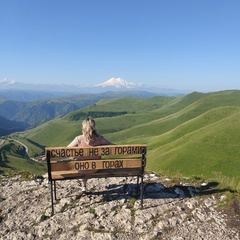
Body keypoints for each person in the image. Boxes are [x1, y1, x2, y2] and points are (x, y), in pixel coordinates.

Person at [67, 116, 113, 192]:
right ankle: (84, 185)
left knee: (82, 164)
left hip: (82, 169)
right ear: (94, 127)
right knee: (89, 163)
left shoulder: (78, 139)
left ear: (83, 128)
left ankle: (84, 186)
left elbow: (65, 150)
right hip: (95, 168)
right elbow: (113, 147)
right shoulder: (100, 139)